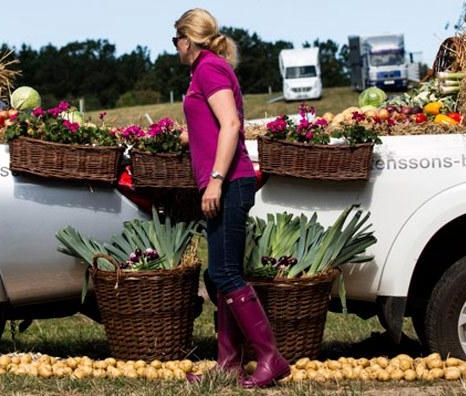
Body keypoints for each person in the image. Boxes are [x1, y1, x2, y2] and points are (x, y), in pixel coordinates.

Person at [173, 8, 290, 388]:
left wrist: (216, 181)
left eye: (176, 40)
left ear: (187, 39)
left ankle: (271, 357)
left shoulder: (208, 69)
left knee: (224, 272)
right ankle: (228, 363)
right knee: (220, 273)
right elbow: (215, 123)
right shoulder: (206, 70)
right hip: (223, 181)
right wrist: (187, 137)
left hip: (230, 182)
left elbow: (232, 124)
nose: (175, 47)